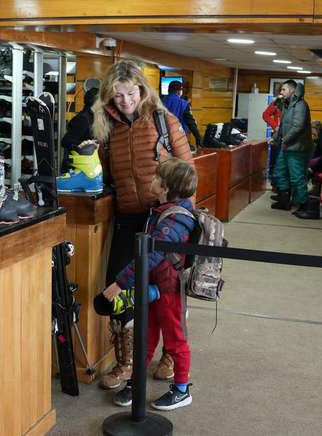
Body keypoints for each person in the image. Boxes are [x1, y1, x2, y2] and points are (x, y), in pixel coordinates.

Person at [90, 60, 194, 391]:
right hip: (127, 217)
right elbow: (105, 173)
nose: (125, 101)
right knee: (118, 288)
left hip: (162, 218)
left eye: (130, 93)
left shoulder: (164, 120)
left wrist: (178, 214)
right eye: (117, 96)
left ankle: (168, 356)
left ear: (142, 90)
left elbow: (188, 172)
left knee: (166, 292)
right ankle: (127, 363)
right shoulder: (106, 126)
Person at [102, 158, 197, 410]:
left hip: (169, 290)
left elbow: (151, 254)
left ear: (166, 187)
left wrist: (119, 284)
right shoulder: (160, 209)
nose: (151, 180)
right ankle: (136, 384)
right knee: (145, 337)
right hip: (153, 287)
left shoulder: (176, 220)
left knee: (176, 340)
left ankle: (181, 389)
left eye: (156, 178)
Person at [271, 79, 313, 214]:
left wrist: (285, 139)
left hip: (296, 147)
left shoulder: (300, 105)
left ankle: (304, 205)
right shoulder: (288, 105)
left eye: (283, 90)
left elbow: (298, 126)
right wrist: (277, 138)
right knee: (279, 172)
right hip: (286, 146)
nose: (281, 92)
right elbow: (282, 124)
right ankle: (285, 200)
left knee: (297, 177)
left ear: (292, 90)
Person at [161, 80, 202, 150]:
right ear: (179, 91)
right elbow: (191, 123)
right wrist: (198, 138)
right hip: (179, 140)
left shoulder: (159, 102)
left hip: (162, 141)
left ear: (168, 90)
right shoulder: (184, 104)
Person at [263, 94, 284, 181]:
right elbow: (265, 115)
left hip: (288, 136)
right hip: (277, 135)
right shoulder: (277, 102)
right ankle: (275, 184)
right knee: (275, 161)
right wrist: (275, 126)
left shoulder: (294, 105)